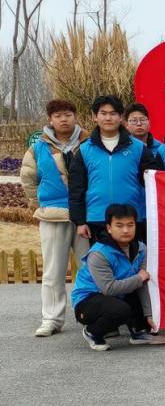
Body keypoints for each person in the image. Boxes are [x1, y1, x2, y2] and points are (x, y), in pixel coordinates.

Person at [20, 99, 90, 337]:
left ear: (75, 116)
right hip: (53, 215)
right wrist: (39, 204)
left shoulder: (88, 142)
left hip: (85, 216)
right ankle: (51, 318)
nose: (63, 119)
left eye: (68, 114)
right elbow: (28, 179)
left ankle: (91, 316)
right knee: (53, 271)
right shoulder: (38, 147)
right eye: (58, 115)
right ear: (50, 119)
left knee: (90, 267)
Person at [71, 204, 165, 351]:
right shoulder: (99, 253)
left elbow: (143, 282)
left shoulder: (141, 248)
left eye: (130, 225)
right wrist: (139, 278)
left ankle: (140, 332)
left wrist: (149, 314)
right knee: (120, 309)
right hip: (88, 300)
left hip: (119, 294)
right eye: (119, 225)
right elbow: (109, 289)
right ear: (109, 228)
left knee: (142, 286)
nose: (125, 230)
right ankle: (92, 332)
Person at [70, 96, 160, 247]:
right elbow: (76, 188)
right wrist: (79, 221)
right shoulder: (84, 150)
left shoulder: (138, 148)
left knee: (132, 260)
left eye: (113, 113)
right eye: (103, 113)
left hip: (131, 219)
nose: (108, 118)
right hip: (97, 219)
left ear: (121, 117)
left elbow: (154, 184)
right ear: (94, 116)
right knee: (102, 260)